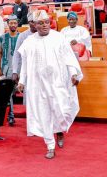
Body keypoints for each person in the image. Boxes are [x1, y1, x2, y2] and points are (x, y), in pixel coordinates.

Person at [17, 10, 83, 159]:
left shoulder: (59, 38)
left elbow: (69, 58)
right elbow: (25, 64)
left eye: (47, 22)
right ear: (34, 24)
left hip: (57, 82)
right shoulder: (29, 42)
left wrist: (73, 74)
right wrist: (22, 81)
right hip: (38, 85)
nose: (45, 25)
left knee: (62, 110)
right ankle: (50, 145)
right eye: (41, 23)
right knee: (44, 112)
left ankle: (59, 131)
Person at [0, 14, 19, 126]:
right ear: (8, 24)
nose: (13, 25)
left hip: (20, 69)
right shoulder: (2, 38)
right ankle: (11, 116)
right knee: (8, 93)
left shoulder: (22, 37)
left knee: (15, 92)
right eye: (11, 23)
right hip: (6, 68)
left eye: (15, 23)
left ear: (17, 24)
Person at [12, 12, 37, 83]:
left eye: (36, 21)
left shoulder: (44, 35)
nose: (35, 24)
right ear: (29, 22)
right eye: (32, 22)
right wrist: (15, 71)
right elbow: (17, 54)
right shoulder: (23, 36)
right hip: (27, 70)